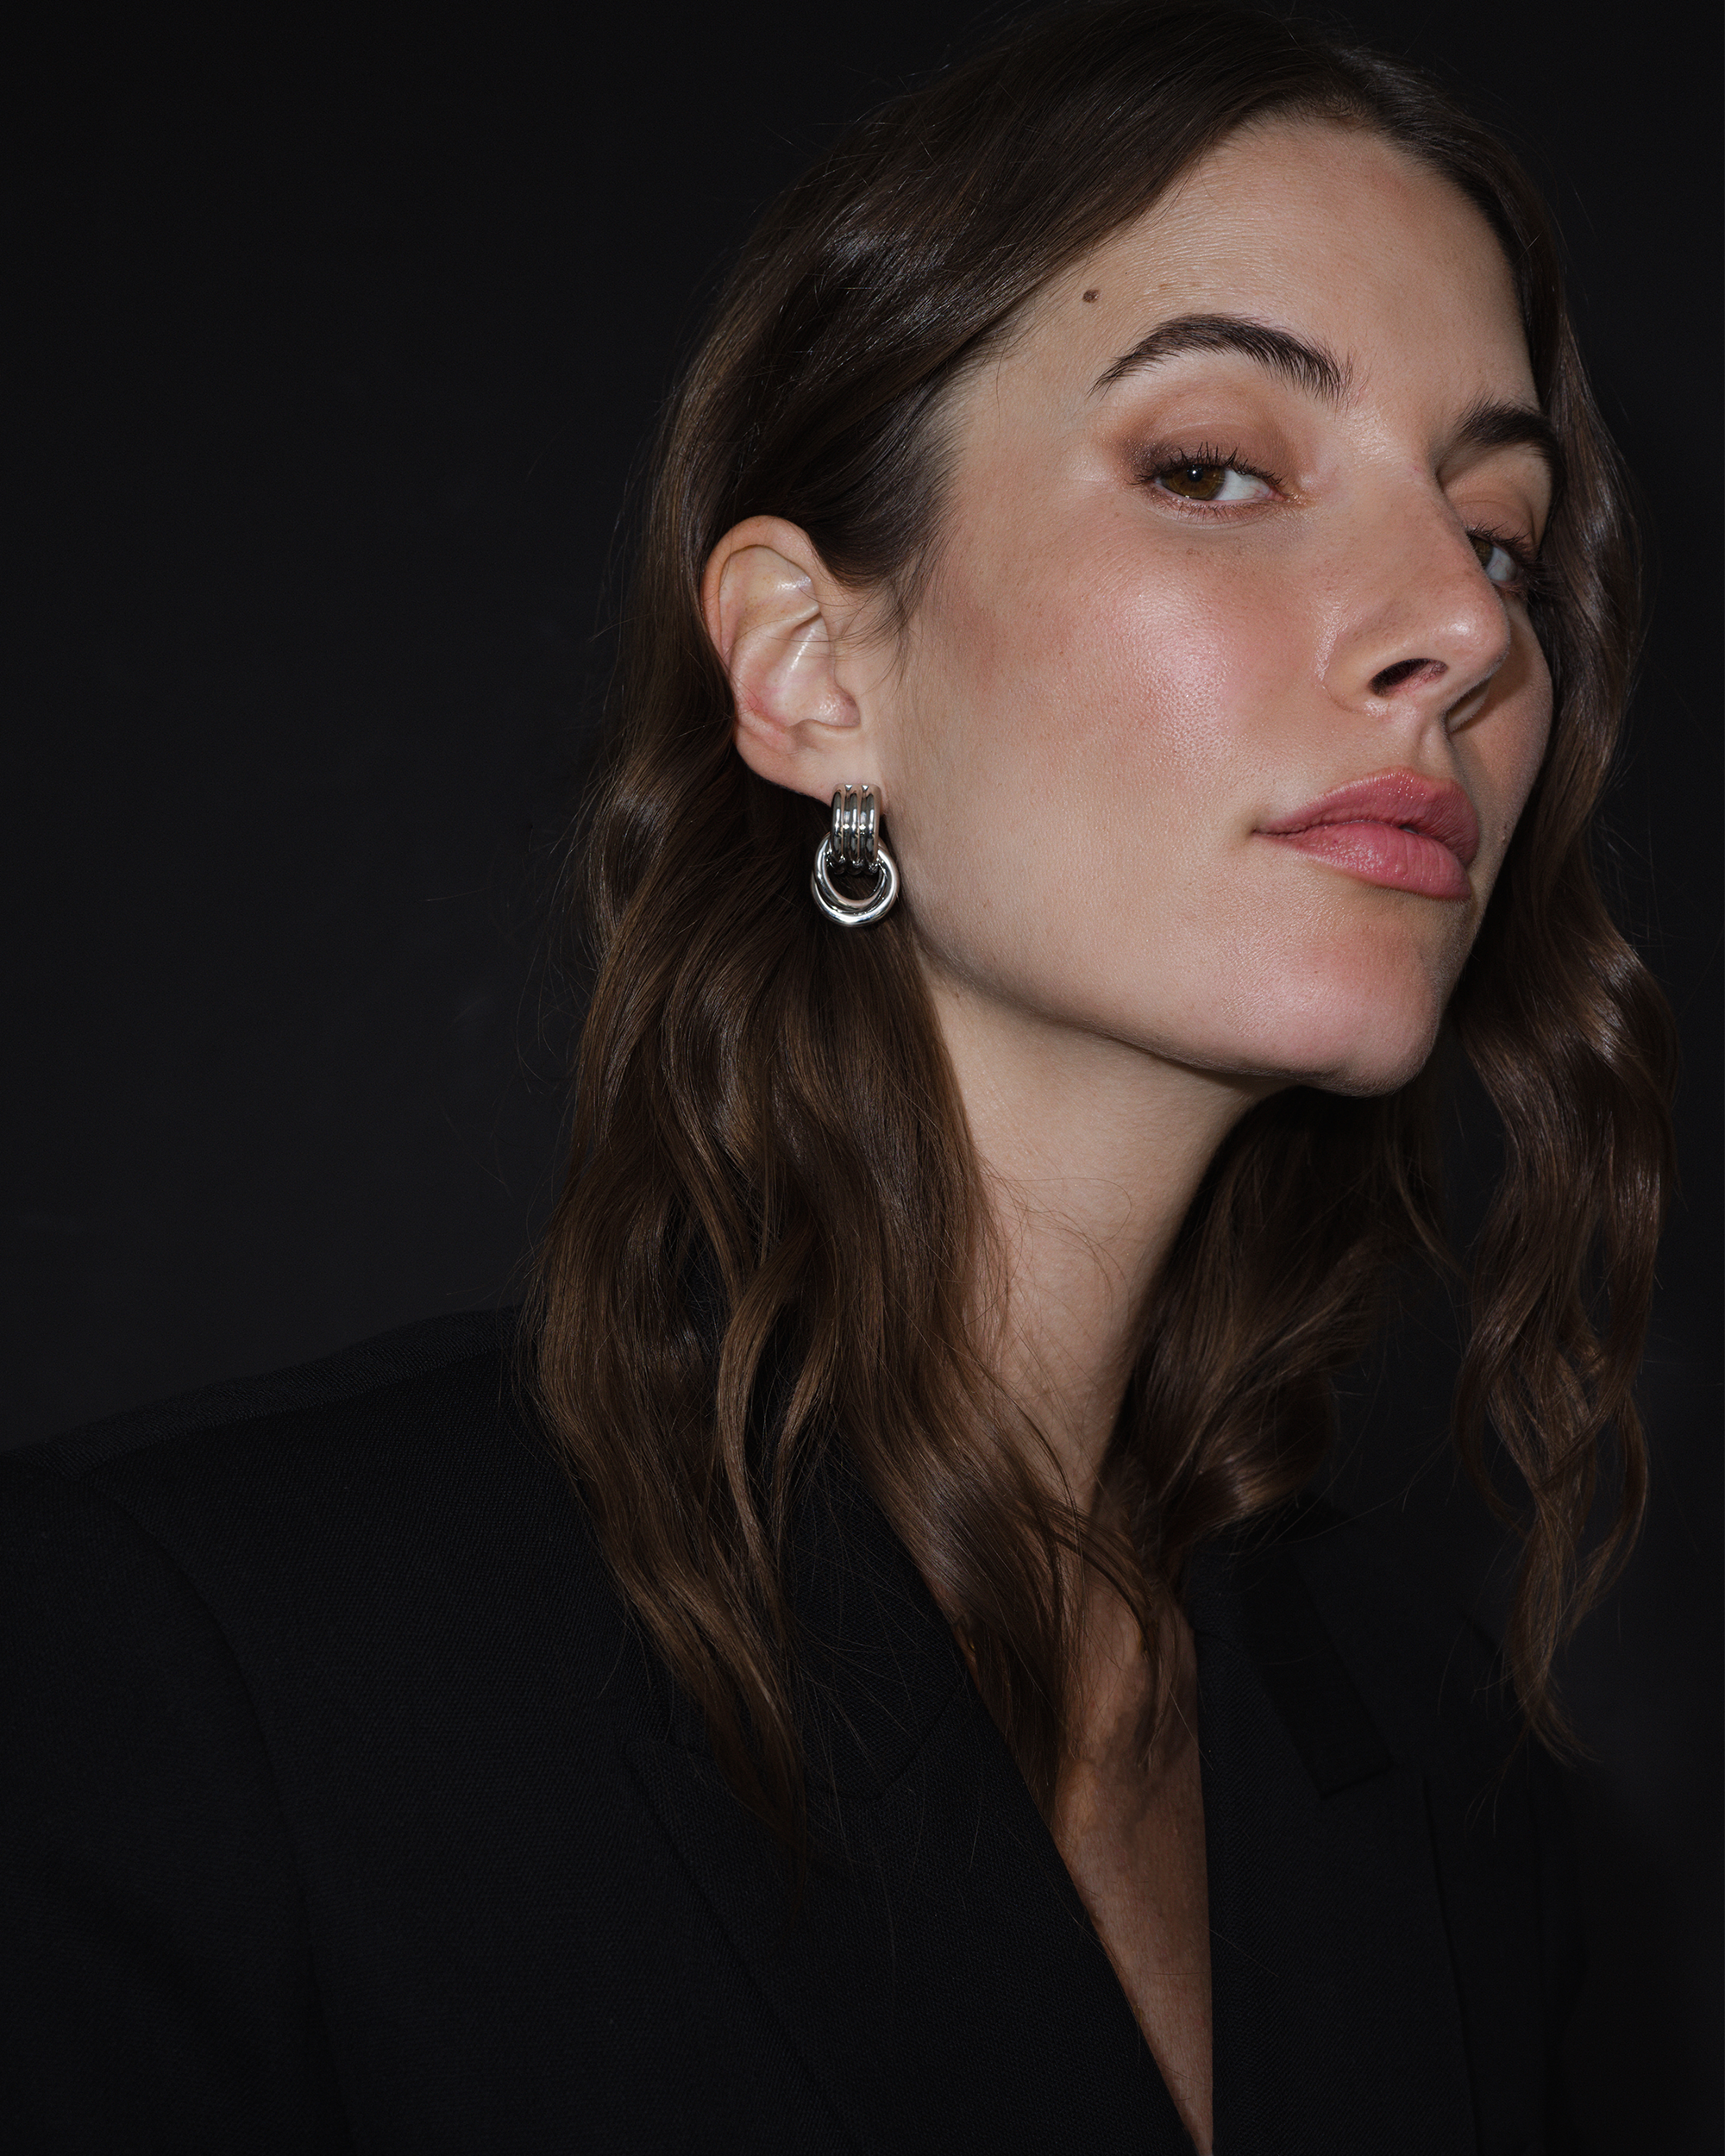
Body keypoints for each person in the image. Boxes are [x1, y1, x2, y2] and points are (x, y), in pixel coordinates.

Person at [0, 3, 1676, 2149]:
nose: (1462, 622)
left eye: (1504, 531)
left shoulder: (1449, 1777)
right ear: (809, 668)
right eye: (1217, 465)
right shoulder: (198, 1687)